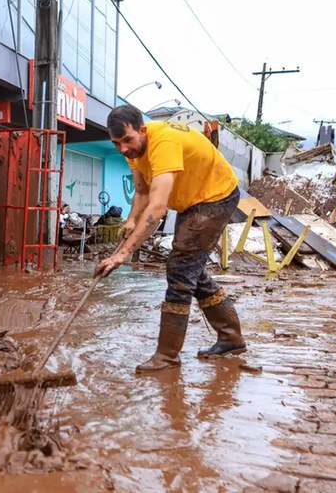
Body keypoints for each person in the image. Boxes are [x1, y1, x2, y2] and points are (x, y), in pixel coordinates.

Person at [95, 105, 245, 373]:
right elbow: (141, 193)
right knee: (189, 270)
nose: (123, 149)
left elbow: (157, 208)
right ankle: (231, 338)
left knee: (180, 270)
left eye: (127, 140)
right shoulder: (134, 149)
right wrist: (131, 220)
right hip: (192, 201)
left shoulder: (162, 143)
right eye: (116, 143)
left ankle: (167, 356)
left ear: (142, 130)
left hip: (217, 195)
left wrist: (123, 253)